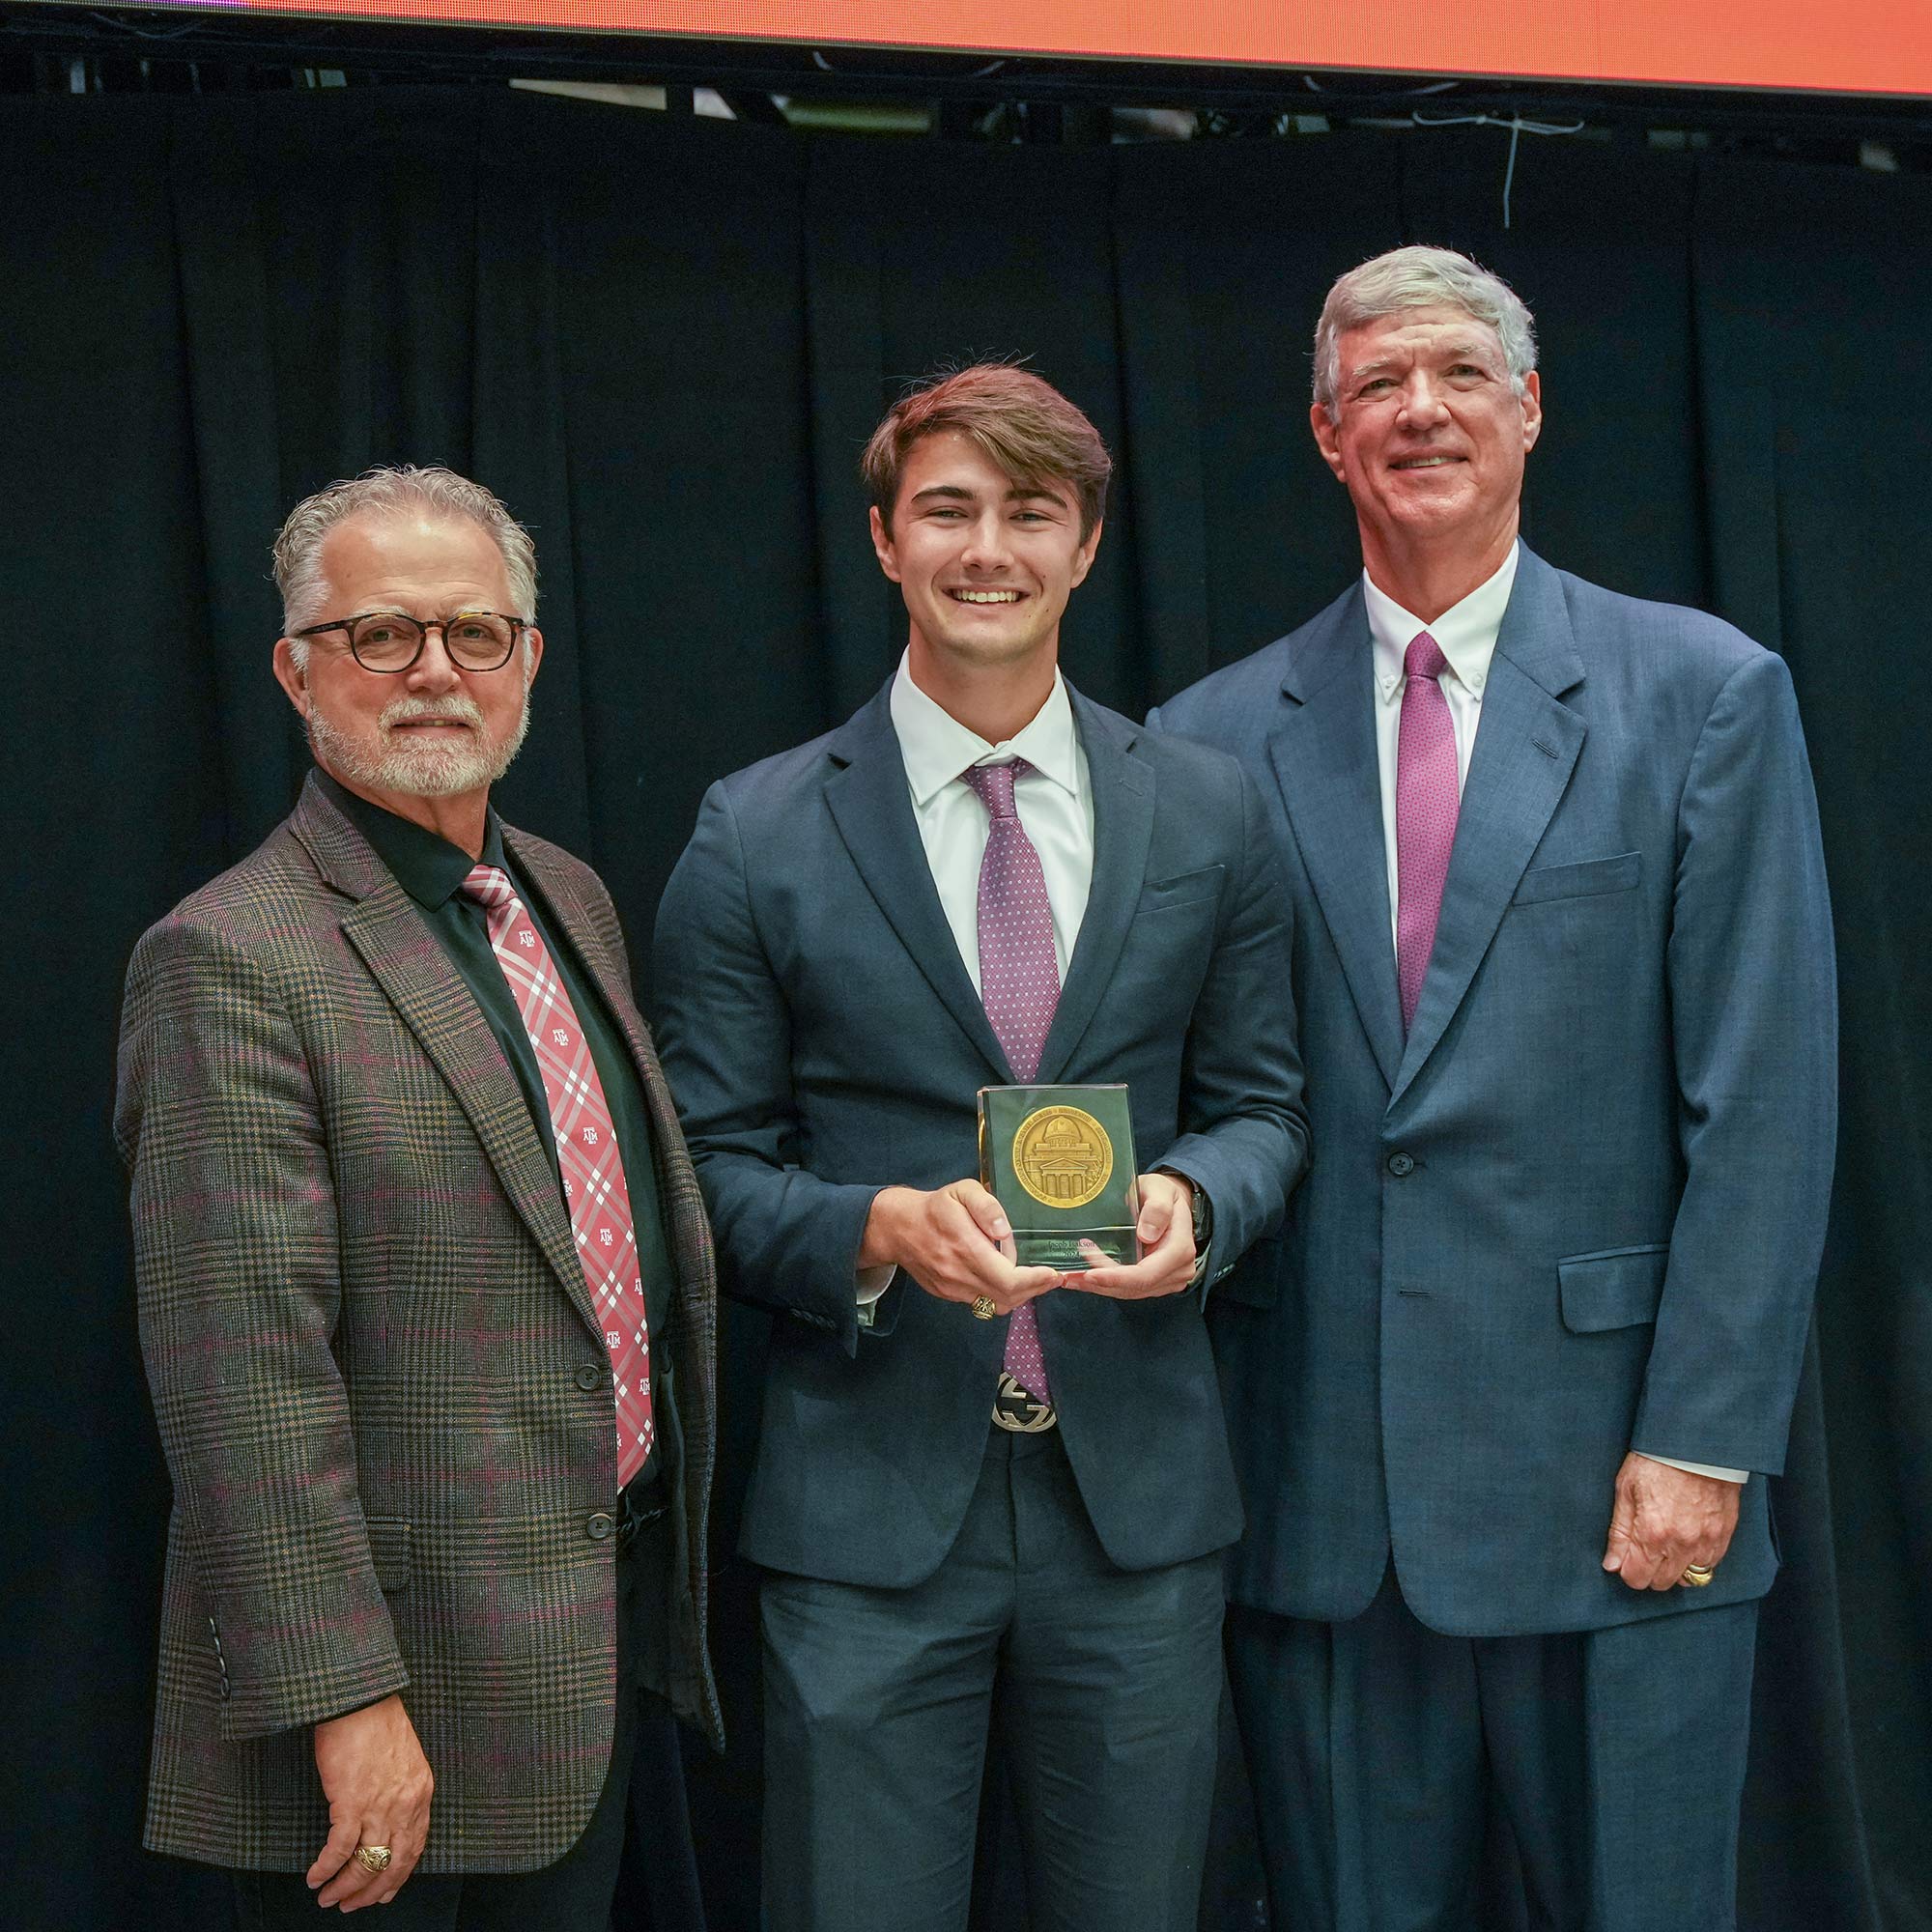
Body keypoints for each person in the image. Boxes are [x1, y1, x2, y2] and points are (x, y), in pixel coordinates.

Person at [1151, 245, 1837, 1930]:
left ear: (1530, 411)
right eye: (1377, 384)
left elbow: (1765, 1099)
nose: (1422, 410)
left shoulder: (1705, 696)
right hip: (1321, 1500)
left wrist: (1702, 1437)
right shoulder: (1212, 737)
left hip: (1624, 1494)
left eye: (1460, 373)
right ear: (1325, 435)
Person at [652, 363, 1308, 1932]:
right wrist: (872, 1227)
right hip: (869, 1511)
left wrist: (1197, 1204)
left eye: (1032, 511)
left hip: (1136, 1506)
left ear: (1087, 547)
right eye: (948, 508)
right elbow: (702, 1170)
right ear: (884, 540)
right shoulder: (756, 832)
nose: (988, 547)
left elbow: (1272, 1111)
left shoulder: (1212, 814)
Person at [115, 466, 719, 1929]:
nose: (437, 672)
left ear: (528, 663)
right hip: (393, 1733)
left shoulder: (563, 896)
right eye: (382, 634)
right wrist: (348, 1703)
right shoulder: (232, 958)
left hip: (586, 1665)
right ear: (295, 668)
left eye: (478, 634)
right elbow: (243, 1381)